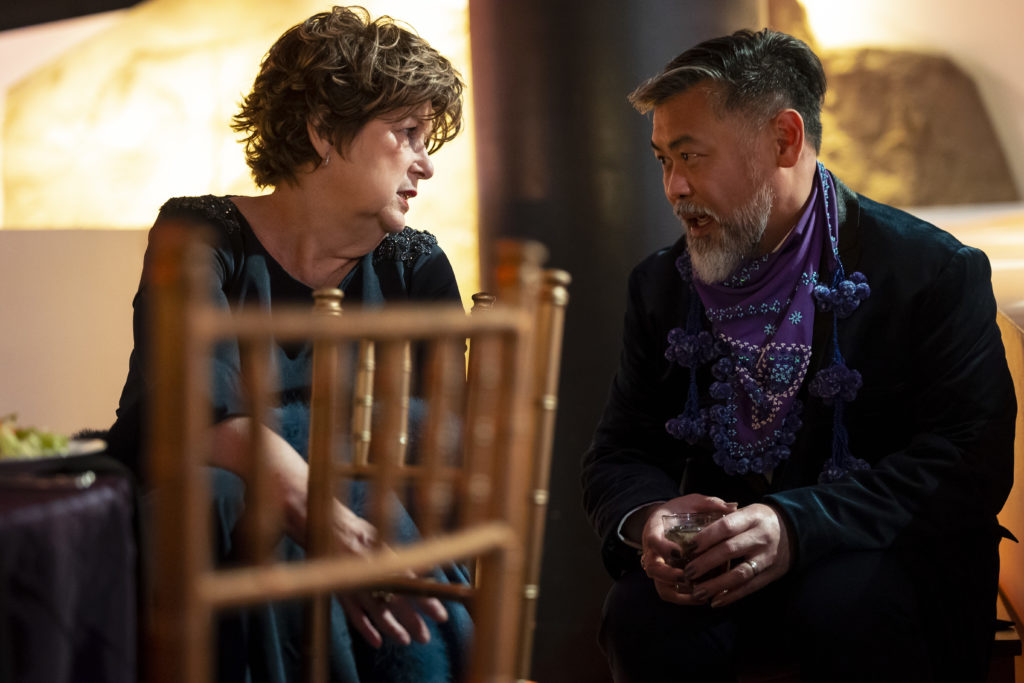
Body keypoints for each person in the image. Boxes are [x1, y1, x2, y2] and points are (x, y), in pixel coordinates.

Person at [581, 28, 1016, 683]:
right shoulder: (662, 285)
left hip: (883, 559)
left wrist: (794, 526)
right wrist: (650, 518)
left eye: (692, 156)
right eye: (663, 159)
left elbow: (967, 463)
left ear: (784, 139)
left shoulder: (931, 271)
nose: (674, 187)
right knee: (639, 615)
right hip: (718, 572)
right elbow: (620, 451)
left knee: (840, 608)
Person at [106, 6, 472, 682]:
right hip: (222, 528)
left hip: (378, 532)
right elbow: (188, 413)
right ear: (323, 132)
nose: (426, 164)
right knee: (221, 494)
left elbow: (437, 458)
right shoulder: (200, 236)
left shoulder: (416, 267)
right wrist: (317, 505)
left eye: (430, 139)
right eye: (407, 132)